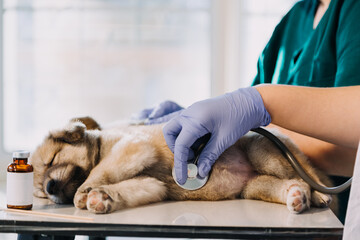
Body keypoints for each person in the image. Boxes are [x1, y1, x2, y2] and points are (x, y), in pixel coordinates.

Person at [136, 0, 360, 223]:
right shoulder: (295, 18)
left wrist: (257, 132)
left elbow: (351, 152)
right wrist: (209, 126)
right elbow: (249, 122)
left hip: (333, 220)